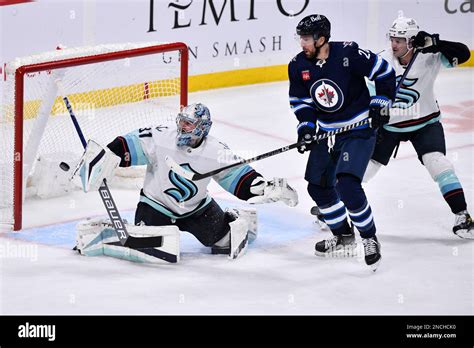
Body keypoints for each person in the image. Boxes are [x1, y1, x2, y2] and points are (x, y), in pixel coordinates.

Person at [73, 103, 298, 262]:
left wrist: (264, 188)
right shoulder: (160, 137)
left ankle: (234, 217)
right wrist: (105, 159)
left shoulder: (215, 151)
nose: (182, 127)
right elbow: (126, 145)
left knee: (225, 243)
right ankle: (108, 231)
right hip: (155, 206)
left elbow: (239, 178)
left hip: (197, 210)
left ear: (201, 128)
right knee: (152, 250)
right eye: (181, 121)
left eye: (189, 124)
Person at [289, 14, 396, 271]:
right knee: (317, 187)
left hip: (358, 129)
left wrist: (381, 102)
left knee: (347, 184)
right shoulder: (297, 65)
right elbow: (301, 102)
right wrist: (306, 128)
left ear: (321, 39)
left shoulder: (349, 53)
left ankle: (369, 237)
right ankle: (343, 235)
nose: (301, 43)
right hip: (327, 133)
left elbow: (384, 72)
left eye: (306, 38)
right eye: (300, 38)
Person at [363, 13, 473, 239]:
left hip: (425, 122)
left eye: (400, 40)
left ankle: (462, 215)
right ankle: (332, 207)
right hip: (390, 126)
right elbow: (367, 94)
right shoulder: (381, 60)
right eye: (392, 38)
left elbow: (464, 53)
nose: (394, 44)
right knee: (365, 167)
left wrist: (436, 43)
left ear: (412, 41)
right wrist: (373, 111)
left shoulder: (430, 57)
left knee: (438, 163)